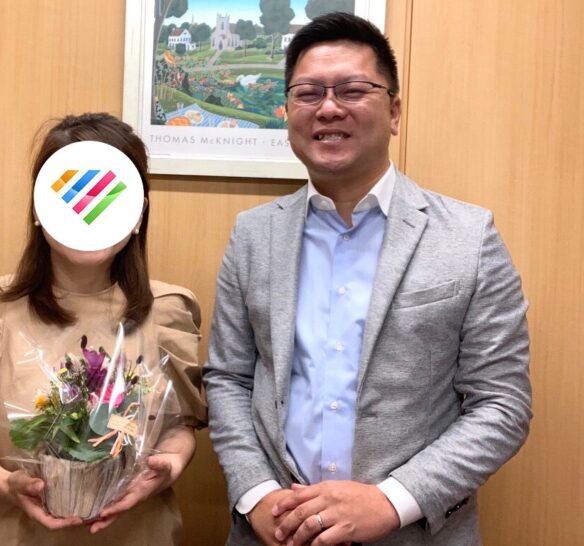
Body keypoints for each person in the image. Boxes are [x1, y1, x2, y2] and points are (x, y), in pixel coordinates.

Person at [203, 12, 531, 546]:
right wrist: (255, 493)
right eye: (309, 93)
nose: (329, 108)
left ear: (394, 111)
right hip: (273, 532)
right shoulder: (253, 235)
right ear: (287, 111)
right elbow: (228, 378)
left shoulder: (469, 237)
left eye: (353, 90)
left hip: (413, 534)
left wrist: (392, 500)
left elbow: (502, 403)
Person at [0, 112, 206, 545]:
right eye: (72, 193)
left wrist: (170, 466)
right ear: (38, 209)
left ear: (139, 213)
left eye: (107, 195)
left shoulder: (168, 312)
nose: (88, 210)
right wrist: (6, 484)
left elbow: (179, 427)